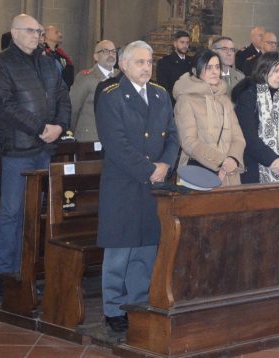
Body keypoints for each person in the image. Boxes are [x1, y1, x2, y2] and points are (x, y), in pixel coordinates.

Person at [95, 41, 179, 336]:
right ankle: (114, 309)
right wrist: (149, 170)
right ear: (123, 65)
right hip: (124, 182)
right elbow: (116, 143)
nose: (146, 67)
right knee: (120, 250)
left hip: (154, 184)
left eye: (149, 62)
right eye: (140, 62)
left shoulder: (160, 94)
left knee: (145, 247)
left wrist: (165, 164)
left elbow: (173, 136)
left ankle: (138, 303)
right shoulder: (111, 95)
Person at [0, 14, 71, 296]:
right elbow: (5, 105)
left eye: (39, 31)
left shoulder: (49, 63)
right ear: (14, 33)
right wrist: (41, 128)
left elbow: (63, 97)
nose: (36, 35)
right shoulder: (1, 63)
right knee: (12, 213)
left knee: (35, 214)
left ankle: (28, 271)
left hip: (44, 150)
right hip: (18, 149)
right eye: (30, 30)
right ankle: (6, 275)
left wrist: (60, 126)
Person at [173, 49, 245, 187]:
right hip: (199, 173)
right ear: (195, 71)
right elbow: (189, 142)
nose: (214, 72)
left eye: (217, 67)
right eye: (209, 68)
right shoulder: (186, 100)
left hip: (229, 175)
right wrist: (221, 161)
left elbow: (238, 138)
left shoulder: (224, 99)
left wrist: (232, 159)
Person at [236, 51, 279, 184]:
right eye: (276, 70)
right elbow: (249, 137)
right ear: (264, 69)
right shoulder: (248, 96)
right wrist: (274, 161)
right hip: (254, 167)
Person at [69, 40, 118, 142]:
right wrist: (71, 131)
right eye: (105, 51)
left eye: (113, 51)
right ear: (96, 56)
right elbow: (73, 108)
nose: (111, 55)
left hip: (116, 137)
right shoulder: (86, 77)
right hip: (91, 137)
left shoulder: (122, 77)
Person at [156, 30, 193, 99]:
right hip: (173, 100)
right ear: (175, 44)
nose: (185, 45)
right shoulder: (164, 62)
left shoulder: (192, 61)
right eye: (182, 42)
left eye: (187, 43)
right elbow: (163, 88)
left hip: (190, 100)